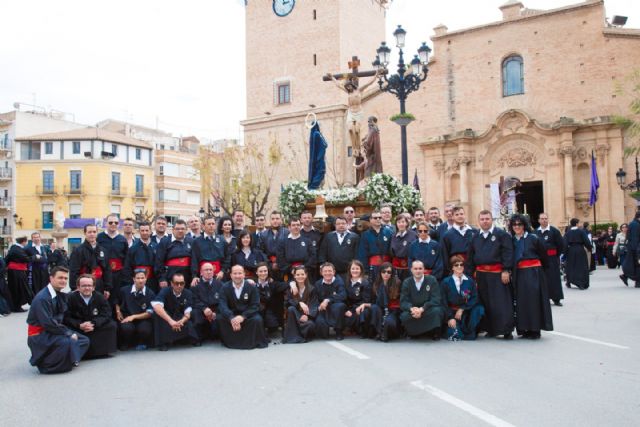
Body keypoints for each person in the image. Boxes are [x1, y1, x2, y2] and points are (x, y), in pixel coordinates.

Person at [26, 266, 90, 374]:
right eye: (60, 278)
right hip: (40, 334)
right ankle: (47, 364)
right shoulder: (42, 298)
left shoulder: (58, 294)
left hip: (52, 330)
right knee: (69, 341)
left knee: (84, 340)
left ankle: (67, 359)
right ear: (51, 278)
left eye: (65, 278)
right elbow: (48, 323)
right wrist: (68, 333)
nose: (63, 281)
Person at [467, 210, 514, 338]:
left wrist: (506, 270)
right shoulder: (475, 236)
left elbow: (507, 253)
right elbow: (471, 257)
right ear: (479, 221)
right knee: (486, 302)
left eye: (487, 218)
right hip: (481, 274)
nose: (485, 221)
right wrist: (469, 275)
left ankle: (506, 330)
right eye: (482, 219)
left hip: (497, 274)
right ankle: (490, 329)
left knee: (501, 303)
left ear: (491, 219)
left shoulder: (501, 234)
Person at [510, 214, 553, 339]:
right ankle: (523, 328)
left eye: (519, 224)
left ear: (524, 225)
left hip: (534, 273)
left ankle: (535, 329)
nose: (517, 227)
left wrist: (539, 271)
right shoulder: (511, 240)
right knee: (521, 301)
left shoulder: (534, 238)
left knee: (534, 301)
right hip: (519, 274)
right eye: (514, 224)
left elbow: (544, 256)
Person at [64, 274, 118, 358]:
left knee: (112, 325)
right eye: (84, 286)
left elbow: (107, 313)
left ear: (93, 287)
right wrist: (79, 325)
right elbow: (66, 317)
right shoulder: (70, 298)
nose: (87, 288)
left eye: (89, 285)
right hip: (79, 326)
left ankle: (102, 352)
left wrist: (94, 323)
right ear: (78, 287)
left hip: (94, 325)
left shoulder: (99, 297)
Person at [217, 265, 269, 349]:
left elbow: (255, 305)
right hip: (232, 315)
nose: (237, 276)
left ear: (244, 274)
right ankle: (230, 342)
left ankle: (251, 342)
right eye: (235, 273)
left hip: (247, 315)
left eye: (240, 273)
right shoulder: (224, 287)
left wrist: (243, 316)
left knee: (257, 319)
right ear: (231, 275)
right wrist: (231, 318)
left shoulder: (251, 287)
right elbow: (222, 305)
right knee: (220, 318)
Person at [151, 272, 199, 351]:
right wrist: (170, 321)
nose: (179, 286)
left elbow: (188, 311)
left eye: (182, 283)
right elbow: (156, 306)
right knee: (157, 314)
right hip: (167, 317)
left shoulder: (188, 293)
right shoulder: (164, 291)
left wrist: (181, 321)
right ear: (171, 283)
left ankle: (181, 339)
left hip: (180, 317)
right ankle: (163, 343)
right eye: (176, 283)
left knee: (193, 316)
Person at [442, 255, 485, 341]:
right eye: (456, 265)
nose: (459, 267)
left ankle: (469, 329)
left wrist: (462, 309)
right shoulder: (446, 282)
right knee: (457, 335)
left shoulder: (470, 281)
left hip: (466, 312)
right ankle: (455, 329)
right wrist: (450, 318)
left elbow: (474, 298)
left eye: (461, 265)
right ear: (452, 268)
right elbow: (443, 301)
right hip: (452, 313)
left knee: (479, 309)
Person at [400, 260, 445, 340]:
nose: (418, 271)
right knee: (404, 317)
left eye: (420, 268)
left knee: (437, 311)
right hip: (413, 310)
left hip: (427, 309)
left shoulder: (432, 280)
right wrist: (412, 309)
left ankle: (434, 332)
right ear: (411, 270)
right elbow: (403, 302)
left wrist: (422, 309)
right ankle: (413, 332)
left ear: (424, 269)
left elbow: (436, 299)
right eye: (415, 269)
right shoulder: (406, 282)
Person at [115, 269, 156, 350]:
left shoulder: (150, 293)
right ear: (133, 279)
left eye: (142, 278)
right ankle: (126, 342)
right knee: (126, 328)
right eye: (138, 278)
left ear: (146, 278)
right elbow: (117, 301)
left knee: (145, 329)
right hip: (127, 317)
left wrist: (134, 316)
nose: (140, 280)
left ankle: (142, 342)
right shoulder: (124, 290)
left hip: (143, 319)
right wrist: (118, 311)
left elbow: (149, 313)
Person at [69, 224, 112, 296]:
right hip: (84, 286)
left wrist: (107, 288)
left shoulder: (103, 250)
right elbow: (73, 271)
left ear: (97, 233)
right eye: (89, 232)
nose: (92, 234)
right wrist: (75, 288)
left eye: (94, 232)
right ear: (85, 233)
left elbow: (107, 270)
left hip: (99, 286)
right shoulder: (78, 251)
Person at [535, 213, 566, 306]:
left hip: (552, 259)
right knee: (542, 279)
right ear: (539, 220)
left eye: (545, 218)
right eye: (542, 219)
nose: (544, 220)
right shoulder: (535, 232)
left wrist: (556, 256)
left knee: (554, 278)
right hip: (540, 260)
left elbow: (561, 245)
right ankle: (544, 298)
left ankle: (556, 298)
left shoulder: (554, 231)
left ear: (548, 219)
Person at [318, 216, 360, 284]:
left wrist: (355, 268)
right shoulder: (328, 236)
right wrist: (323, 265)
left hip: (349, 271)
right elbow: (322, 252)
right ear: (335, 225)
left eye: (343, 223)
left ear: (347, 224)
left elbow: (357, 254)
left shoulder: (354, 237)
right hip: (332, 272)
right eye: (338, 224)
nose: (341, 225)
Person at [282, 266, 318, 344]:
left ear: (306, 275)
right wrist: (299, 303)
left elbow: (314, 305)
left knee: (310, 325)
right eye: (298, 275)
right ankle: (293, 335)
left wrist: (307, 316)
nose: (300, 276)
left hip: (306, 317)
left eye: (302, 274)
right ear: (294, 276)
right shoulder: (291, 288)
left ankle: (297, 334)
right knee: (291, 308)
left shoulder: (312, 289)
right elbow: (287, 302)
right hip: (294, 317)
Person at [154, 219, 193, 289]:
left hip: (187, 279)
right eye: (177, 229)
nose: (180, 231)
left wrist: (194, 276)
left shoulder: (191, 241)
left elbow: (194, 261)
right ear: (173, 230)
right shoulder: (164, 241)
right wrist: (162, 278)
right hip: (169, 279)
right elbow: (159, 262)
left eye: (182, 229)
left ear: (186, 230)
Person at [191, 262, 223, 343]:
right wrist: (204, 308)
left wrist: (215, 312)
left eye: (210, 270)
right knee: (195, 313)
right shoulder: (195, 284)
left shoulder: (220, 284)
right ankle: (198, 339)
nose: (208, 272)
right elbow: (194, 299)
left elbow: (223, 300)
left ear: (213, 272)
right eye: (206, 270)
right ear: (201, 272)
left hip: (215, 310)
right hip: (201, 310)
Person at [191, 216, 228, 286]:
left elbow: (227, 257)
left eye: (213, 224)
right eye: (209, 224)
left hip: (219, 275)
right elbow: (194, 259)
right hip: (203, 276)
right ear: (203, 226)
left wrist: (223, 271)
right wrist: (194, 276)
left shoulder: (222, 240)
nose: (211, 226)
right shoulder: (197, 241)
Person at [97, 214, 128, 297]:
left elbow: (126, 257)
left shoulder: (122, 239)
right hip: (103, 274)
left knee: (117, 297)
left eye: (116, 222)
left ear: (118, 224)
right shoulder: (99, 238)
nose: (113, 224)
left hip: (118, 275)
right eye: (110, 222)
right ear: (106, 223)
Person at [370, 262, 403, 341]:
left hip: (393, 310)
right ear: (380, 272)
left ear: (392, 273)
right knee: (374, 308)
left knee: (389, 322)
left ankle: (385, 334)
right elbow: (375, 301)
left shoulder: (397, 283)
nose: (386, 274)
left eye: (389, 272)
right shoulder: (376, 284)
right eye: (383, 271)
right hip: (380, 308)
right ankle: (380, 332)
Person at [314, 263, 347, 340]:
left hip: (335, 308)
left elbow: (343, 295)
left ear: (334, 272)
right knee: (322, 334)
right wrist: (319, 306)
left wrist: (328, 300)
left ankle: (339, 331)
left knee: (340, 306)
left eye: (330, 271)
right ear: (321, 272)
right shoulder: (317, 284)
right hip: (323, 309)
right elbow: (315, 298)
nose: (327, 273)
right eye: (325, 271)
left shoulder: (339, 281)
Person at [441, 206, 476, 276]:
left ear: (465, 215)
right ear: (453, 217)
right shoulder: (447, 235)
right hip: (455, 269)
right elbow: (445, 256)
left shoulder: (474, 232)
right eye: (457, 214)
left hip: (472, 268)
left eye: (461, 214)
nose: (460, 216)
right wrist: (450, 271)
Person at [358, 210, 393, 279]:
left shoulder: (389, 232)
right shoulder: (365, 235)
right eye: (375, 218)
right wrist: (365, 271)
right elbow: (362, 254)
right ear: (370, 220)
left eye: (380, 217)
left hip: (387, 266)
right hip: (373, 268)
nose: (378, 219)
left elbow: (392, 250)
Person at [123, 221, 157, 292]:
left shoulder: (156, 247)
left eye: (147, 230)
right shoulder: (133, 248)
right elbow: (128, 267)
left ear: (150, 231)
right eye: (142, 230)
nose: (145, 232)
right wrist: (130, 282)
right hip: (137, 281)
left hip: (152, 281)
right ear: (139, 232)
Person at [254, 262, 288, 332]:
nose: (263, 273)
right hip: (256, 310)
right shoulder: (252, 283)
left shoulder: (272, 283)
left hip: (269, 311)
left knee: (273, 326)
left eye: (265, 271)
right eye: (260, 271)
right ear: (256, 272)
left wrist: (292, 283)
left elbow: (285, 285)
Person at [344, 260, 373, 338]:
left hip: (361, 306)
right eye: (353, 269)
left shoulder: (365, 283)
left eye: (357, 269)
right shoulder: (346, 282)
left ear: (361, 270)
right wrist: (346, 310)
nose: (355, 271)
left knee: (364, 313)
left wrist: (354, 309)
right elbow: (344, 298)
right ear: (349, 270)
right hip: (350, 307)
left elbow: (366, 300)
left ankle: (363, 331)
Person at [6, 236, 34, 312]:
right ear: (24, 241)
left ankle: (17, 306)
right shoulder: (17, 249)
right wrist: (35, 257)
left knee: (18, 288)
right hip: (16, 272)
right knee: (18, 289)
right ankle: (17, 307)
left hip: (15, 271)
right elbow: (26, 259)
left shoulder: (14, 248)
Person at [564, 218, 593, 289]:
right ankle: (581, 282)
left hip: (570, 250)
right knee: (581, 266)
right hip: (580, 250)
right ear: (577, 223)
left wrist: (565, 252)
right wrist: (589, 248)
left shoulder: (568, 233)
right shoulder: (581, 232)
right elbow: (586, 241)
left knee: (571, 266)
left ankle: (569, 281)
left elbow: (564, 243)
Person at [260, 210, 288, 280]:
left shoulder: (287, 233)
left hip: (284, 267)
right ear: (270, 220)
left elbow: (289, 250)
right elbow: (261, 252)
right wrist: (270, 264)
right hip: (269, 266)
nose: (275, 221)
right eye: (273, 219)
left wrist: (280, 263)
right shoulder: (264, 234)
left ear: (281, 220)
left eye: (277, 218)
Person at [390, 214, 417, 281]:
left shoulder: (413, 235)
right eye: (399, 222)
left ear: (407, 223)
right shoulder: (393, 236)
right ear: (396, 224)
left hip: (409, 266)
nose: (401, 224)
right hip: (396, 267)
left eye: (403, 222)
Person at [621, 211, 640, 287]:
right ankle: (638, 282)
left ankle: (625, 276)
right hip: (635, 248)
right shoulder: (636, 224)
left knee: (633, 265)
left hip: (632, 247)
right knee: (637, 265)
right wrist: (638, 250)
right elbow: (635, 238)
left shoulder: (633, 223)